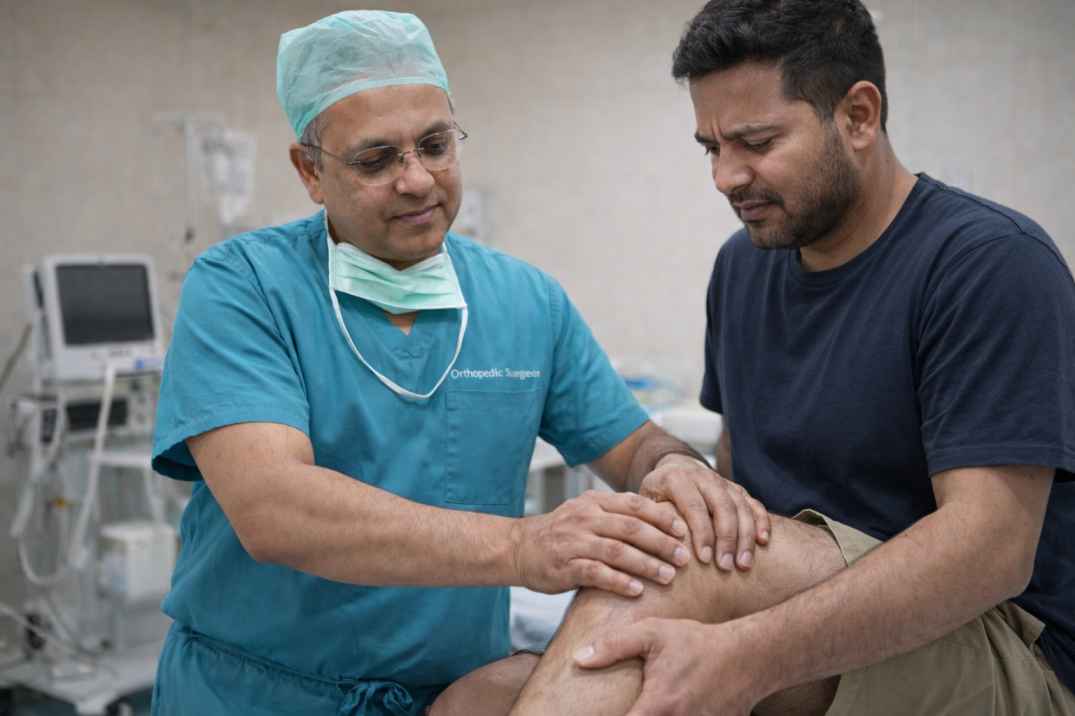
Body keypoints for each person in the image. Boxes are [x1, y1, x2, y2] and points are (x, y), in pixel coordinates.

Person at [428, 1, 1075, 715]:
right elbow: (740, 500)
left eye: (755, 142)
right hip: (810, 619)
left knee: (684, 564)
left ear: (858, 116)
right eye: (710, 147)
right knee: (478, 700)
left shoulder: (985, 264)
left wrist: (745, 655)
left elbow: (990, 552)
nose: (724, 177)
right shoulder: (742, 268)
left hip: (1000, 645)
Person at [148, 10, 769, 716]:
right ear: (310, 171)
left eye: (435, 146)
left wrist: (674, 469)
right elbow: (273, 509)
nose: (416, 181)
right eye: (375, 160)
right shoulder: (243, 287)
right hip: (252, 695)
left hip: (452, 699)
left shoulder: (522, 301)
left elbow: (632, 444)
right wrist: (524, 546)